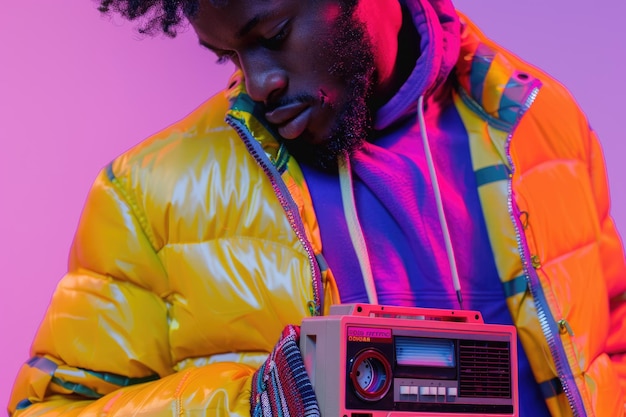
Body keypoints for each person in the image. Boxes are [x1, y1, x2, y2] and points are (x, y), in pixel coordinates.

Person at [7, 0, 626, 415]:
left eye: (272, 35)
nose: (257, 82)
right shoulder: (150, 194)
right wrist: (253, 403)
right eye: (230, 56)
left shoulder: (542, 124)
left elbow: (610, 350)